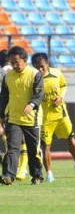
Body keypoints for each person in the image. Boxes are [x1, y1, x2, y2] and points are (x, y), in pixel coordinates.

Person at [31, 53, 75, 182]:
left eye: (42, 66)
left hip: (61, 114)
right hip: (44, 118)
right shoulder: (32, 79)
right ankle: (49, 173)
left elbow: (63, 85)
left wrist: (61, 96)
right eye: (36, 67)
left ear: (47, 64)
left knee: (71, 138)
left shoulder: (56, 73)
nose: (40, 70)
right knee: (46, 147)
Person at [0, 46, 44, 185]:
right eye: (12, 62)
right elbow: (3, 97)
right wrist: (1, 116)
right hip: (13, 118)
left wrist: (31, 105)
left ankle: (37, 176)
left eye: (17, 62)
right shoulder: (8, 76)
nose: (14, 65)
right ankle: (8, 176)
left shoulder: (35, 74)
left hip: (32, 119)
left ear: (25, 60)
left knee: (33, 150)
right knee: (12, 148)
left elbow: (39, 94)